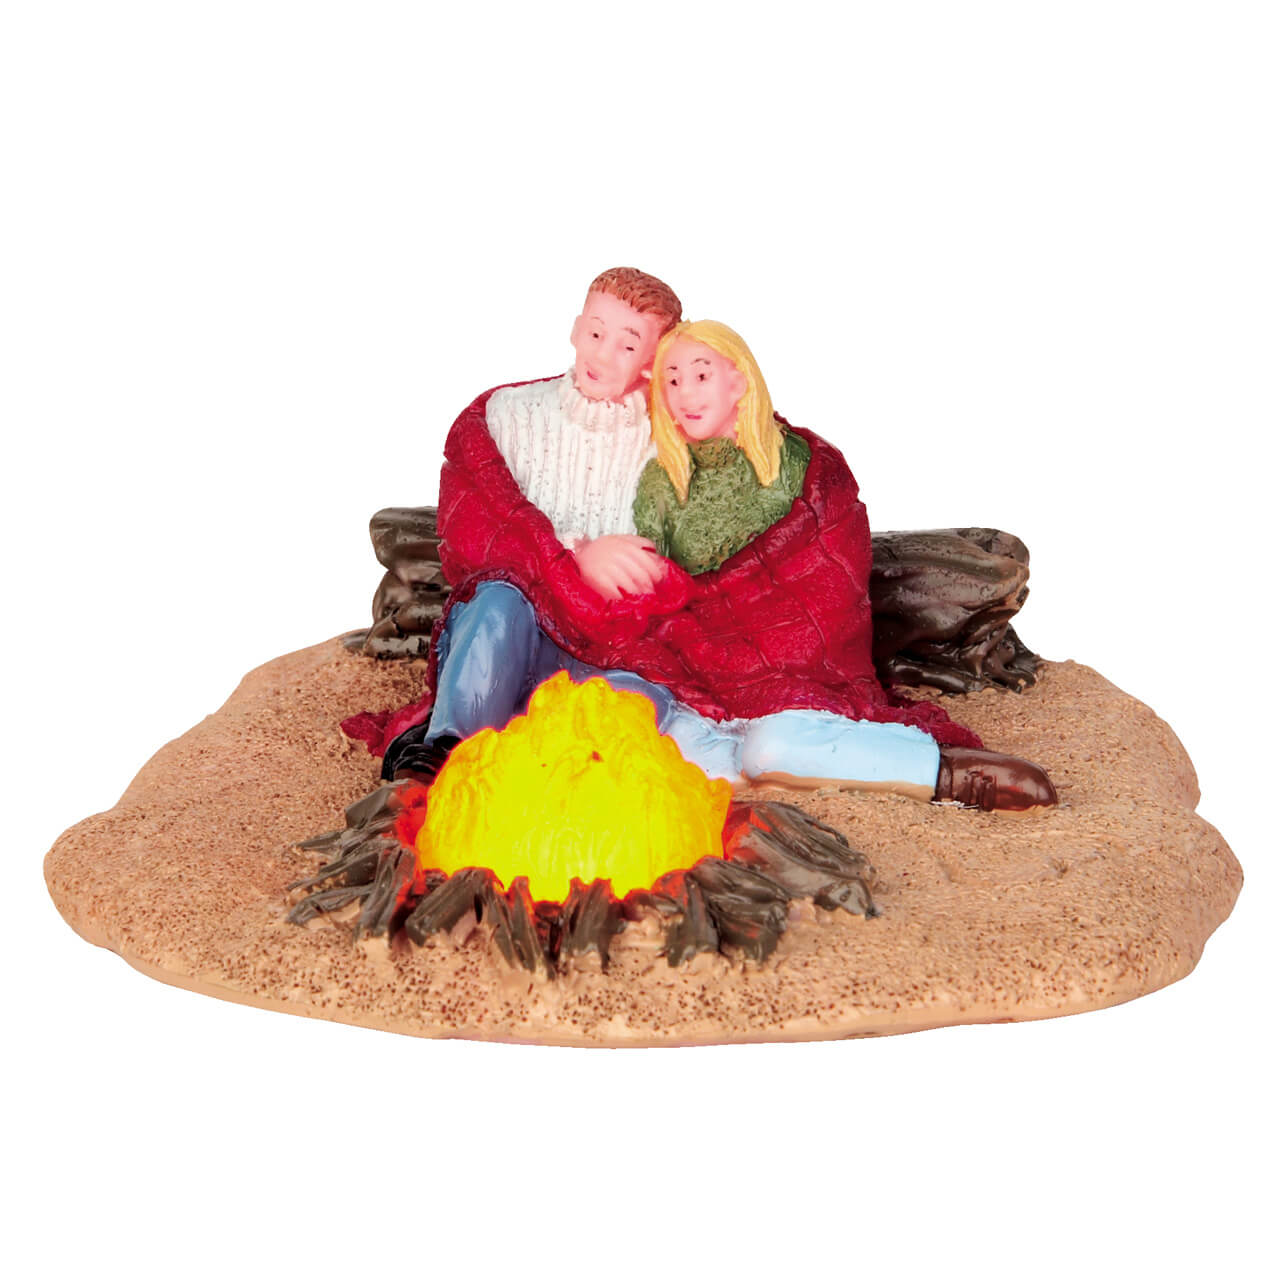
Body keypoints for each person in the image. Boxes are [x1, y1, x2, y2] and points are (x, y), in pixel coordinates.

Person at [372, 277, 1054, 811]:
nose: (602, 353)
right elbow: (477, 526)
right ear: (575, 327)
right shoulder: (506, 416)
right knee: (496, 604)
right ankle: (445, 754)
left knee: (683, 732)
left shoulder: (672, 430)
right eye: (595, 332)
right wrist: (573, 558)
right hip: (531, 625)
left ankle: (923, 770)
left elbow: (754, 472)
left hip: (634, 652)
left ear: (653, 363)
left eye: (630, 346)